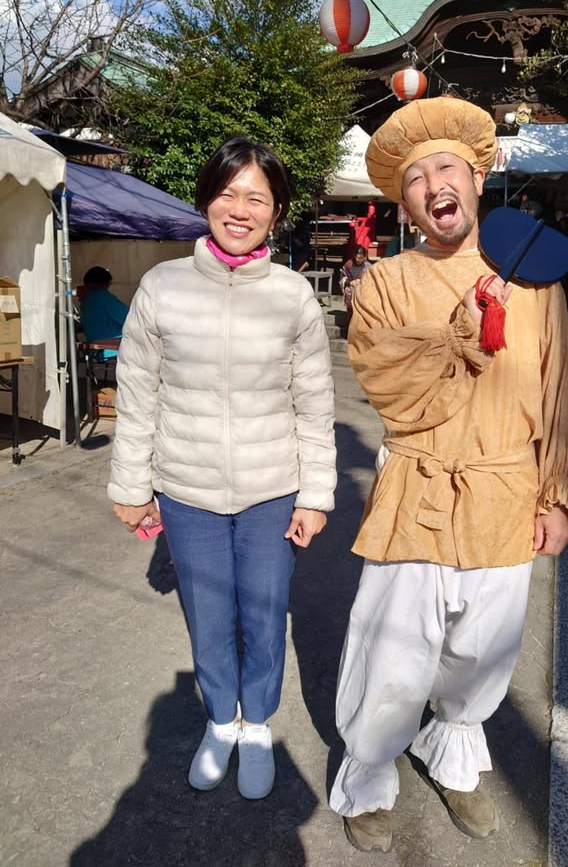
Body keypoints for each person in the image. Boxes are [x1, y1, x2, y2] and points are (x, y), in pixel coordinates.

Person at [329, 97, 568, 852]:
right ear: (404, 204)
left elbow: (558, 390)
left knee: (482, 653)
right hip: (417, 486)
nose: (432, 184)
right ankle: (370, 777)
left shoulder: (538, 282)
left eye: (446, 167)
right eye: (414, 178)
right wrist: (459, 334)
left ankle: (454, 756)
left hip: (509, 489)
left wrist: (560, 492)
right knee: (393, 649)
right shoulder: (380, 287)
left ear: (476, 180)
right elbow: (391, 389)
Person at [108, 136, 336, 800]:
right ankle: (221, 722)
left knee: (265, 614)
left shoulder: (293, 296)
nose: (239, 209)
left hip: (272, 489)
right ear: (208, 198)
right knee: (208, 616)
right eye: (228, 193)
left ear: (276, 210)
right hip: (187, 490)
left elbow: (314, 407)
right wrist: (131, 486)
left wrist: (314, 497)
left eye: (256, 198)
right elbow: (138, 394)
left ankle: (257, 723)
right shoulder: (162, 287)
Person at [77, 266, 129, 358]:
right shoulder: (105, 298)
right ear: (108, 282)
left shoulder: (86, 299)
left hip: (94, 347)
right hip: (108, 347)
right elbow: (129, 319)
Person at [339, 245, 370, 316]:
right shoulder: (348, 265)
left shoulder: (368, 267)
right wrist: (350, 282)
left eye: (360, 258)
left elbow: (372, 281)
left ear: (365, 257)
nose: (357, 260)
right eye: (356, 257)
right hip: (351, 291)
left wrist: (361, 282)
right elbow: (342, 279)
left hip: (364, 292)